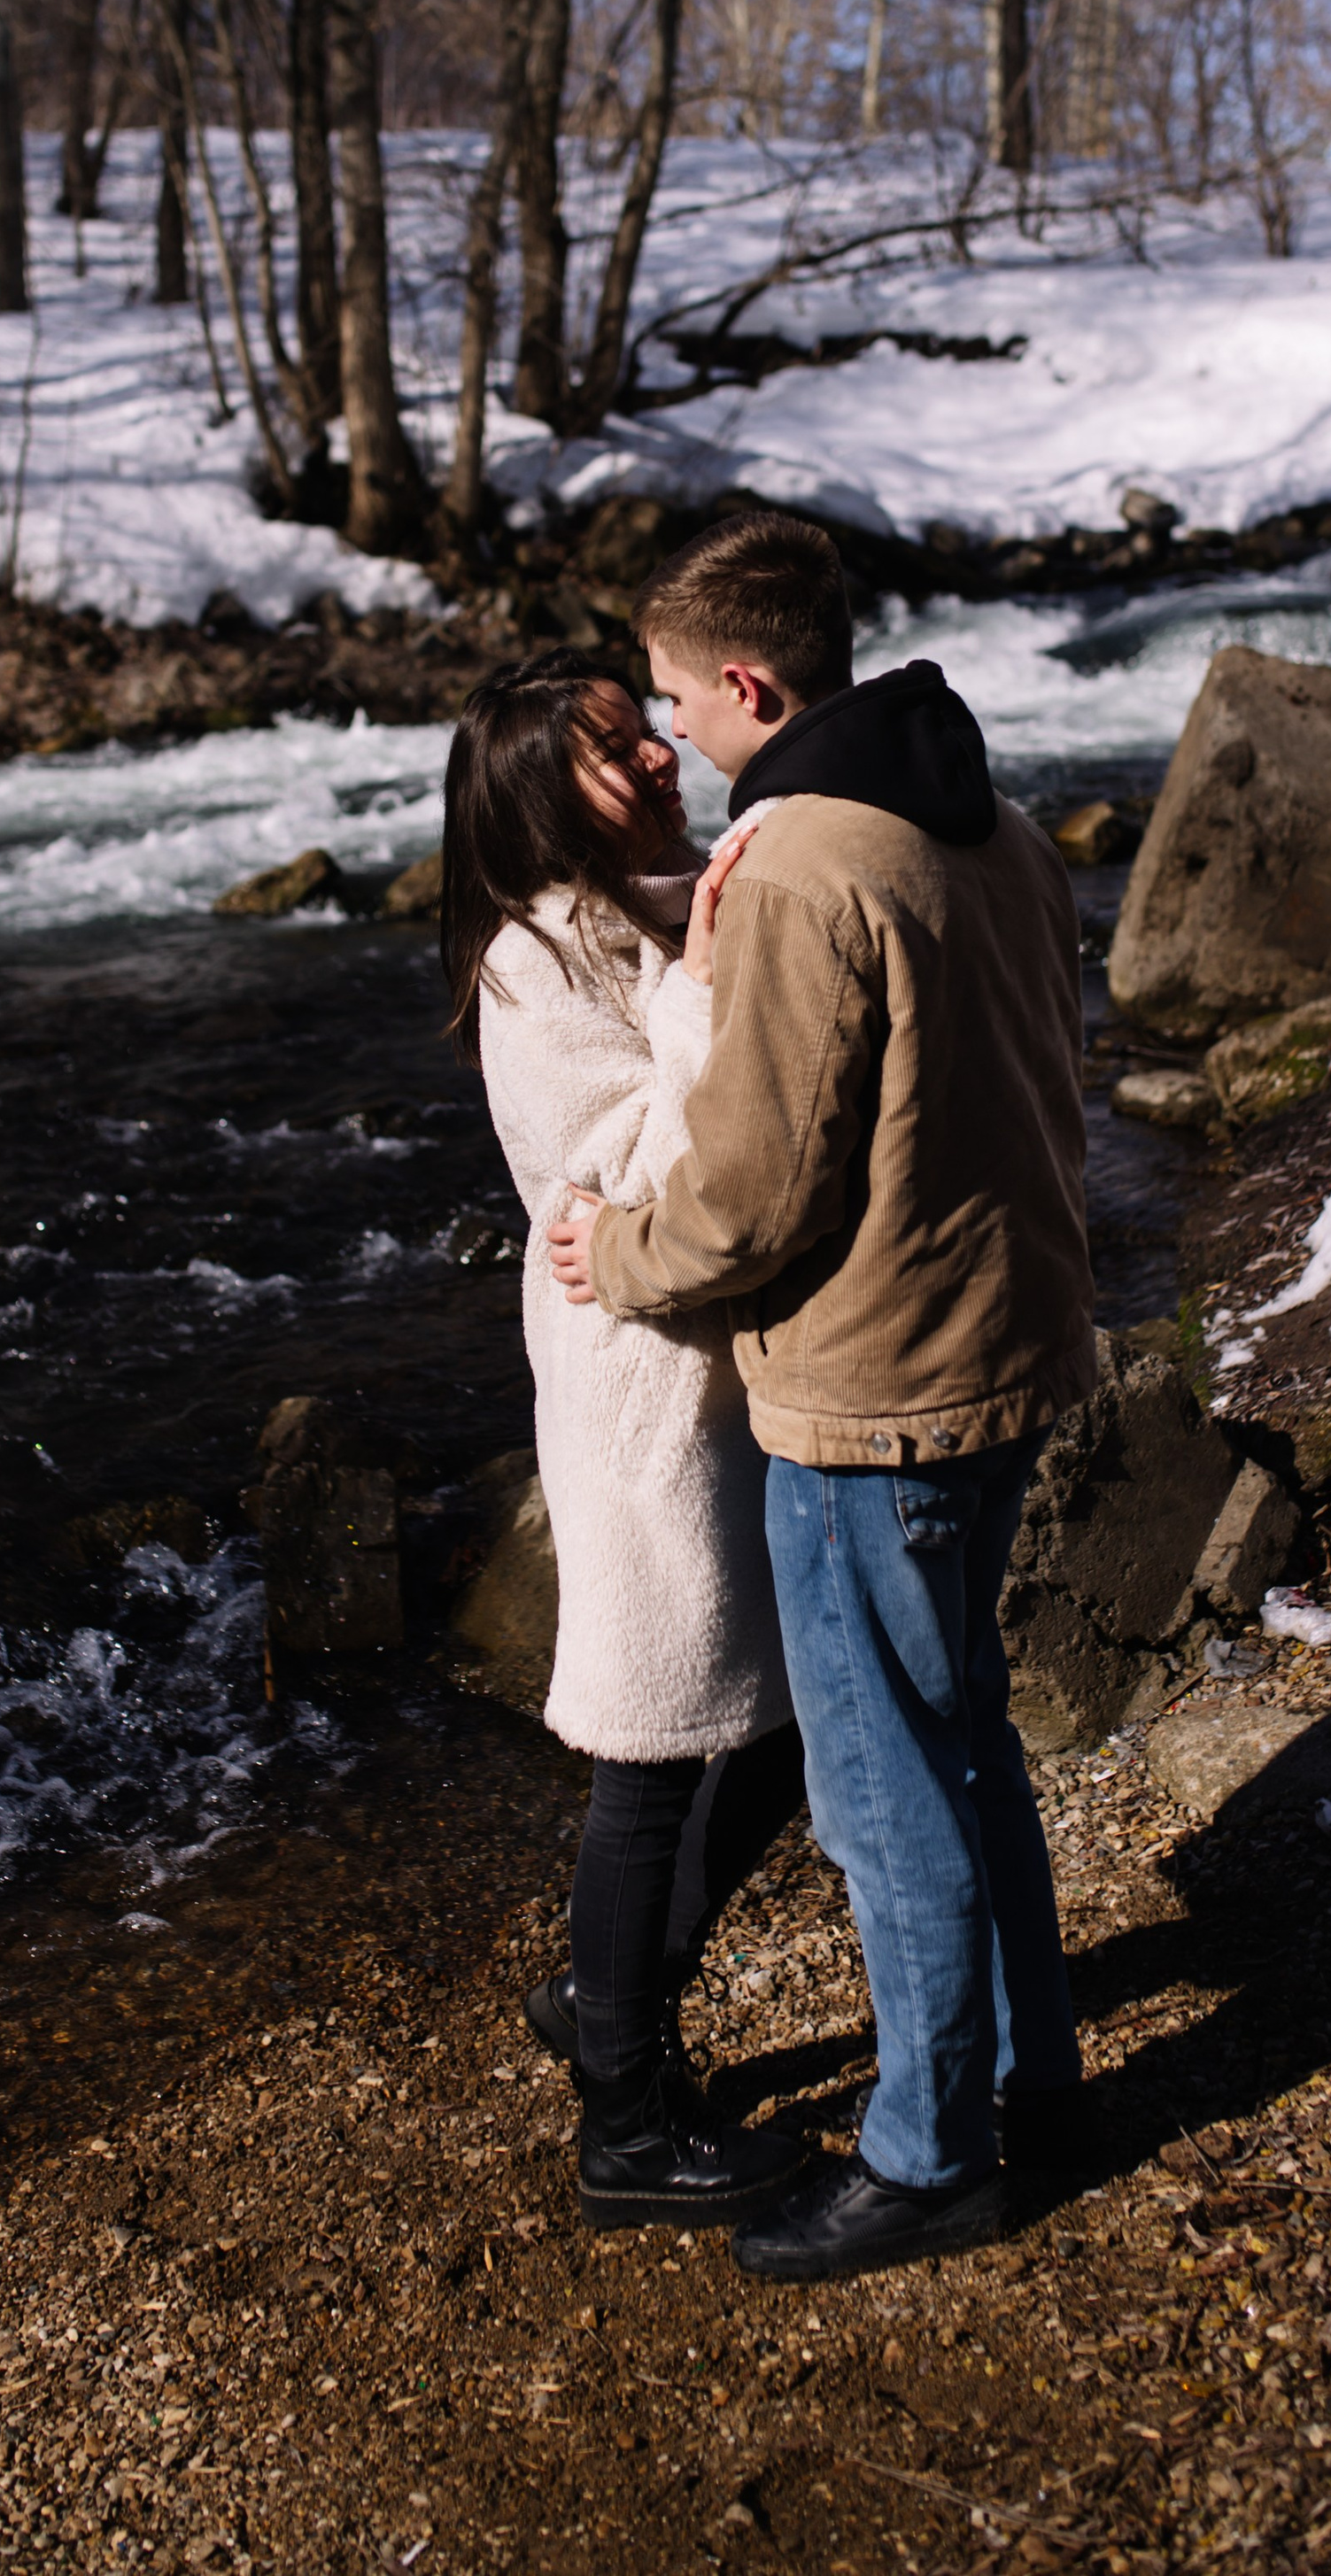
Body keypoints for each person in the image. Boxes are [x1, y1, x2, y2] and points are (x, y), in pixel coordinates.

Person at [547, 512, 1098, 2282]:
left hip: (872, 1392)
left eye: (674, 701)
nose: (666, 735)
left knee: (881, 1792)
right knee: (964, 1739)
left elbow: (747, 1199)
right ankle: (1032, 2081)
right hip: (1006, 1344)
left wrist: (612, 1258)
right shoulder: (986, 821)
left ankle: (933, 2158)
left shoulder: (790, 870)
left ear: (753, 684)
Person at [442, 646, 810, 2228]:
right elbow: (621, 1175)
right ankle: (625, 2128)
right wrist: (712, 984)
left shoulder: (653, 900)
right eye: (611, 750)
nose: (658, 754)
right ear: (540, 795)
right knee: (653, 1749)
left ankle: (614, 1998)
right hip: (637, 1384)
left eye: (642, 728)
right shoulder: (532, 963)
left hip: (720, 1370)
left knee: (784, 1728)